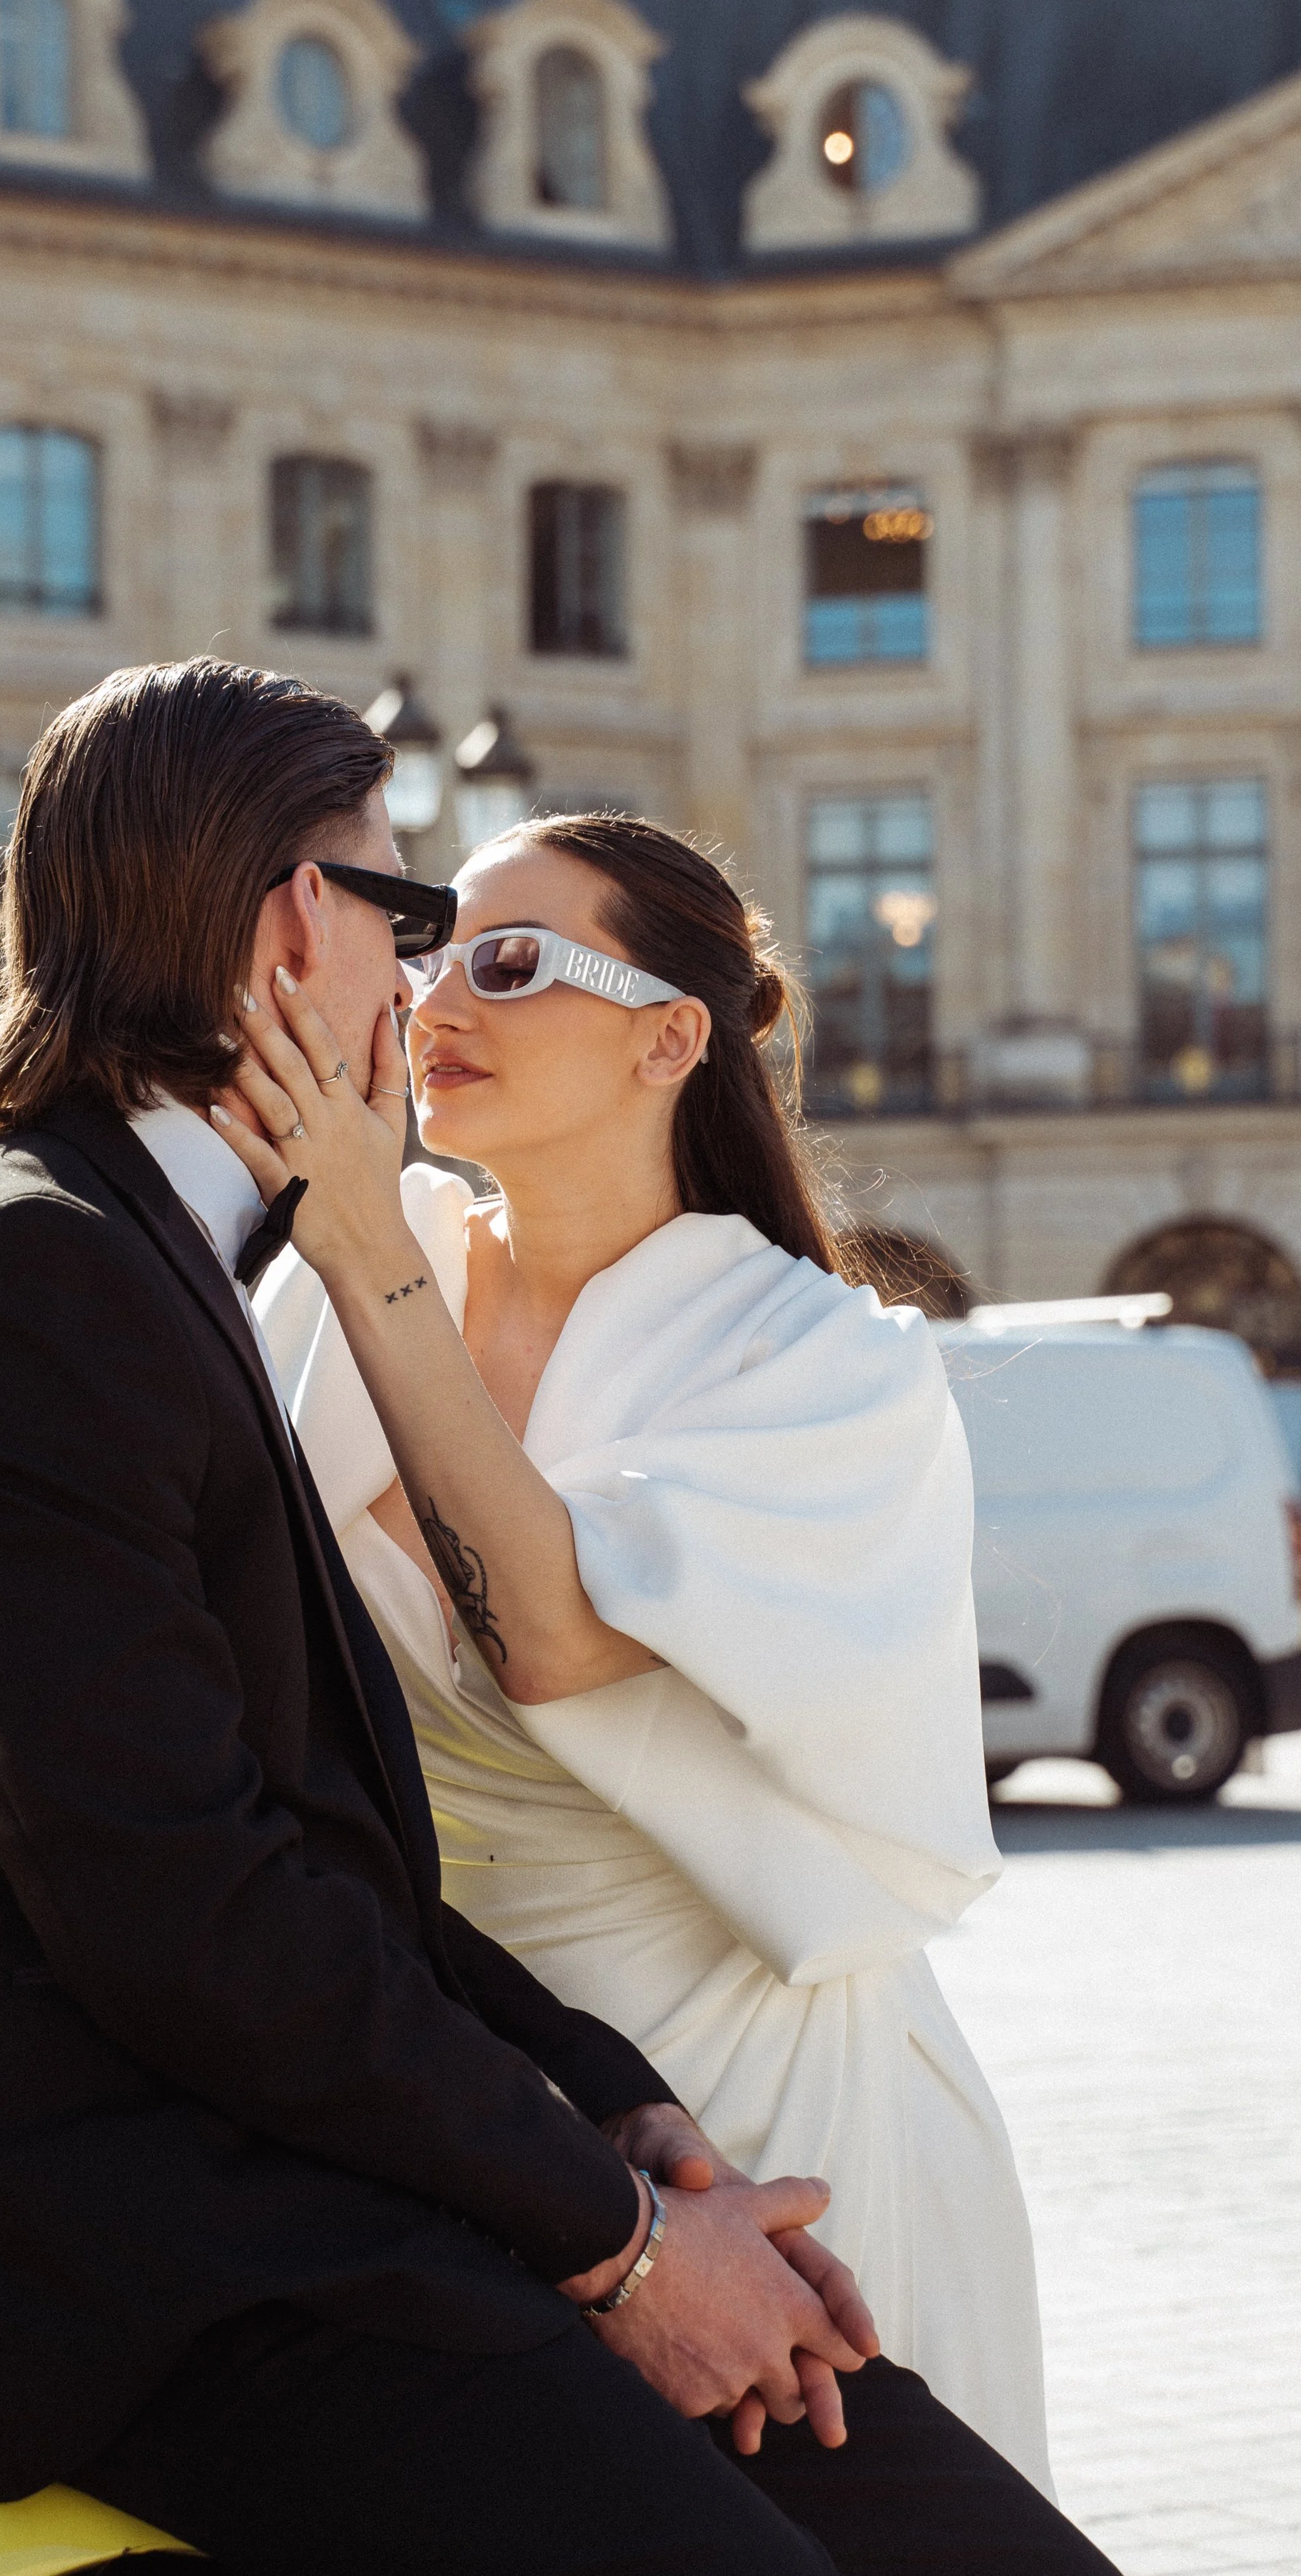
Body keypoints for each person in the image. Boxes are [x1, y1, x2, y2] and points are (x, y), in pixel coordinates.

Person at [0, 659, 1117, 2576]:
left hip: (457, 2131)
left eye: (495, 953)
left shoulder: (157, 1261)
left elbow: (267, 1828)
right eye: (416, 924)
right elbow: (198, 1904)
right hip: (223, 2257)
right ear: (303, 916)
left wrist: (628, 2126)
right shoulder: (48, 1283)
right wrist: (615, 2229)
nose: (429, 985)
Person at [219, 809, 1053, 2498]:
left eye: (512, 965)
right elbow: (191, 1657)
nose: (441, 996)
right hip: (438, 2078)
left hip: (750, 2096)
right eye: (440, 949)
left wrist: (365, 1233)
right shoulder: (328, 1288)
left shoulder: (824, 1363)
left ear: (672, 1037)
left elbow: (545, 1633)